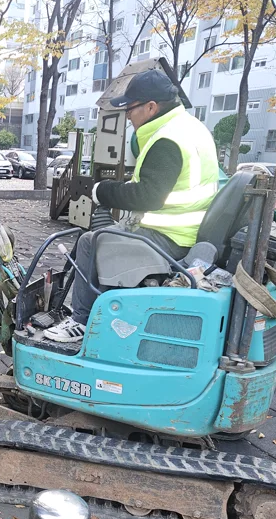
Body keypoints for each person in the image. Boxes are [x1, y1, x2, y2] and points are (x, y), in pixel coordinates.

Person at [45, 69, 219, 344]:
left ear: (151, 107)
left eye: (131, 108)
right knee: (103, 236)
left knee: (91, 241)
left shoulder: (167, 140)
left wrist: (103, 191)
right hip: (189, 229)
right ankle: (102, 306)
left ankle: (81, 321)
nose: (127, 115)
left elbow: (148, 195)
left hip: (171, 237)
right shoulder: (192, 128)